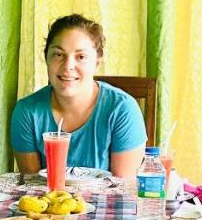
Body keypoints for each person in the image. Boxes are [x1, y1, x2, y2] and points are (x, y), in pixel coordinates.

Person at [10, 14, 147, 178]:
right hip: (48, 202)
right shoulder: (27, 111)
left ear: (96, 63)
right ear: (46, 58)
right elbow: (32, 189)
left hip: (106, 203)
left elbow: (123, 191)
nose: (68, 66)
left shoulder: (123, 110)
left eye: (81, 57)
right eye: (58, 55)